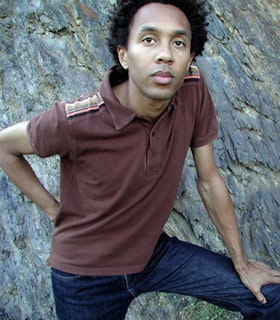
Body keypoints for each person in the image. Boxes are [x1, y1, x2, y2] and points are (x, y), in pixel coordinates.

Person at [0, 0, 279, 319]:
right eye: (149, 40)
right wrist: (54, 211)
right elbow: (5, 146)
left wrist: (242, 264)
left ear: (189, 57)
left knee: (269, 298)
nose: (165, 54)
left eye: (178, 42)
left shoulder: (192, 88)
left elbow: (209, 180)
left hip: (154, 254)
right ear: (124, 55)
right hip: (85, 276)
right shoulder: (76, 119)